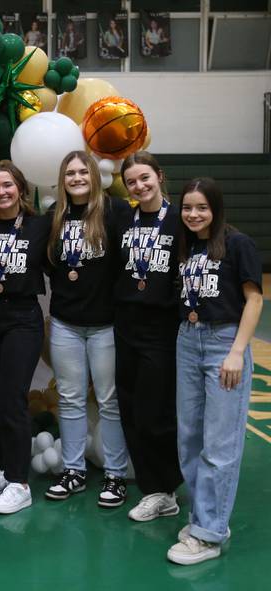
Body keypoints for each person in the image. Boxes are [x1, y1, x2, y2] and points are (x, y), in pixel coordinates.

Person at [167, 178, 263, 565]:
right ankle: (203, 517)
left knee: (219, 445)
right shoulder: (187, 245)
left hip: (225, 343)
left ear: (216, 209)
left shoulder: (238, 244)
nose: (193, 214)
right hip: (188, 340)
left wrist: (237, 352)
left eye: (201, 208)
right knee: (189, 438)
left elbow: (254, 300)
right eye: (187, 207)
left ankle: (209, 534)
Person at [44, 151, 130, 507]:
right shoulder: (55, 217)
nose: (77, 178)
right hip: (66, 323)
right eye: (70, 173)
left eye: (83, 172)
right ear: (62, 180)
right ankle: (74, 471)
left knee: (109, 401)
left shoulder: (116, 212)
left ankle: (115, 475)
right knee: (70, 398)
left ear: (94, 175)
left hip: (106, 325)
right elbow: (52, 267)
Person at [0, 161, 49, 514]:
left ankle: (20, 484)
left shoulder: (39, 227)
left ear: (20, 188)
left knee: (13, 399)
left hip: (23, 318)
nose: (1, 192)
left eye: (7, 185)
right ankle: (8, 469)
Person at [114, 151, 183, 522]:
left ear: (159, 176)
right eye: (131, 182)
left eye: (145, 178)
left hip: (161, 327)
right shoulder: (124, 218)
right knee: (130, 409)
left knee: (155, 412)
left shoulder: (179, 220)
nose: (139, 186)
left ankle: (166, 488)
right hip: (126, 323)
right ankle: (151, 487)